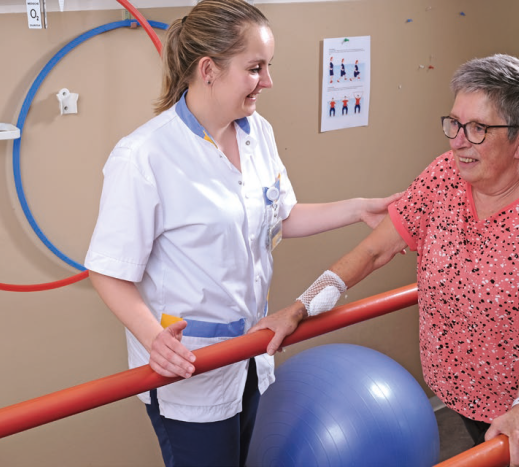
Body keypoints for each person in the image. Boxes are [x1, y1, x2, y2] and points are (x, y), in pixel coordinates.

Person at [84, 1, 398, 466]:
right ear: (208, 69)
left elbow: (281, 216)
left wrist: (357, 209)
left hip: (253, 351)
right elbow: (107, 271)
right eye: (255, 68)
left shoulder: (257, 133)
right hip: (191, 368)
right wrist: (154, 339)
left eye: (267, 66)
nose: (267, 81)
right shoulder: (144, 157)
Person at [251, 54, 519, 467]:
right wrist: (301, 306)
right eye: (454, 123)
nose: (458, 140)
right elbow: (373, 250)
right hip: (460, 387)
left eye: (478, 129)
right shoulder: (444, 175)